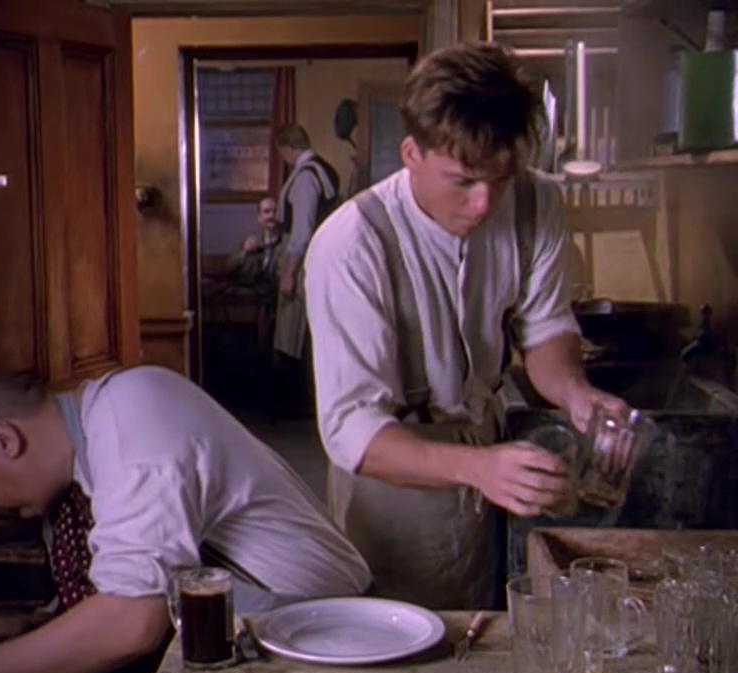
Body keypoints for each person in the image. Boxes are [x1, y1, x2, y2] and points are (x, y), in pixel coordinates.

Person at [303, 42, 629, 611]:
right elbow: (351, 429)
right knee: (398, 635)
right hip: (391, 480)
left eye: (500, 179)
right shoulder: (352, 245)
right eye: (462, 181)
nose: (483, 204)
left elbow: (545, 328)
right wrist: (477, 469)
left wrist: (575, 391)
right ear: (411, 153)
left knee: (481, 625)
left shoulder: (534, 204)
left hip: (485, 453)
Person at [0, 363, 371, 673]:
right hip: (246, 639)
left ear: (3, 439)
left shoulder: (131, 426)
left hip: (323, 643)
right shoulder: (88, 449)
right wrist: (34, 628)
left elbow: (132, 621)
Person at [272, 123, 341, 415]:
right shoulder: (325, 170)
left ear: (288, 148)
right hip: (318, 257)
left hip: (304, 262)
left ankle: (297, 404)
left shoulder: (305, 178)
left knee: (295, 334)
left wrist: (288, 273)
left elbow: (301, 233)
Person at [226, 195, 284, 292]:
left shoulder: (287, 243)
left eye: (275, 211)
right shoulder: (251, 239)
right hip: (251, 294)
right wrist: (244, 252)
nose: (272, 215)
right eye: (267, 211)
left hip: (276, 294)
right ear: (259, 217)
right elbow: (230, 267)